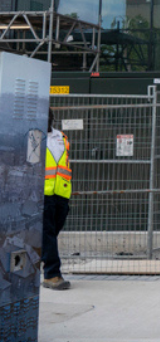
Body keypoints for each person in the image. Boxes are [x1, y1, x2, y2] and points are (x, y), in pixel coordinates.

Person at [42, 109, 72, 290]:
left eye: (49, 117)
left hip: (61, 194)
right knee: (47, 233)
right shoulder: (31, 137)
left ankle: (36, 260)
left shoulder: (62, 137)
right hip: (41, 194)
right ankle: (52, 274)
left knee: (50, 234)